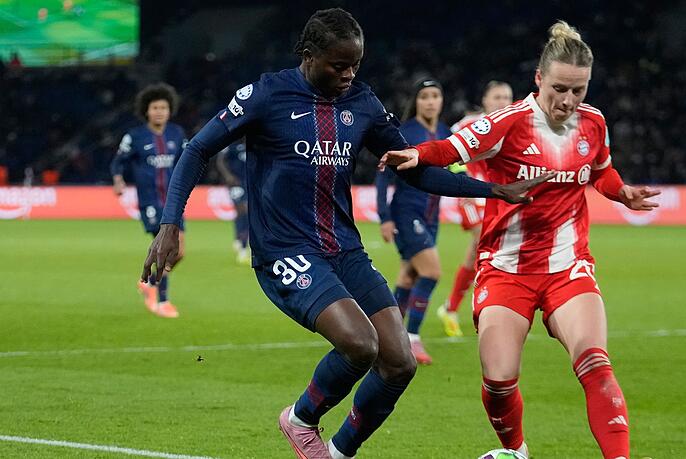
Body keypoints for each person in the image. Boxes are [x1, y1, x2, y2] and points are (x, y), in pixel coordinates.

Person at [140, 9, 553, 459]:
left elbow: (413, 169)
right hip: (285, 249)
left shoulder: (362, 103)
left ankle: (338, 453)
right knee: (359, 344)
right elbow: (197, 149)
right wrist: (170, 222)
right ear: (308, 55)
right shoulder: (267, 94)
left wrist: (493, 189)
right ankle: (301, 419)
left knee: (399, 362)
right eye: (338, 65)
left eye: (355, 65)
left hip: (344, 248)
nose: (348, 74)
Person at [378, 21, 661, 459]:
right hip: (506, 269)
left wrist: (620, 191)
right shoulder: (508, 122)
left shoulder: (594, 122)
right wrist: (417, 153)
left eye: (579, 90)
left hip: (568, 266)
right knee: (498, 380)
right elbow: (451, 149)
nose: (568, 100)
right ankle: (516, 451)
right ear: (539, 79)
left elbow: (601, 171)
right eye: (559, 89)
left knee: (595, 362)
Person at [375, 77, 450, 365]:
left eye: (435, 96)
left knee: (409, 276)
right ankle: (412, 337)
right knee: (431, 272)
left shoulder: (444, 132)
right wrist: (384, 217)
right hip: (407, 212)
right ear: (416, 101)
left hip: (431, 216)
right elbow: (383, 175)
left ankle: (386, 337)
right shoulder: (405, 132)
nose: (430, 102)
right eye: (424, 96)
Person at [437, 80, 514, 337]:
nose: (503, 102)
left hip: (499, 193)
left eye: (507, 97)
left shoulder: (515, 125)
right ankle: (485, 307)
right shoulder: (469, 125)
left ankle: (451, 308)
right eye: (497, 97)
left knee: (477, 254)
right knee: (483, 240)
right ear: (485, 100)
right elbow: (449, 148)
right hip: (471, 192)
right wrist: (461, 177)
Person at [112, 82, 187, 318]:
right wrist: (118, 180)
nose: (159, 112)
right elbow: (118, 162)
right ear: (146, 110)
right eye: (155, 108)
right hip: (151, 202)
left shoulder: (177, 134)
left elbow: (187, 161)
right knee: (166, 247)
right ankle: (162, 301)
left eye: (163, 108)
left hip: (174, 202)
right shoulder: (135, 136)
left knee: (180, 252)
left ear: (170, 110)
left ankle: (150, 283)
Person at [216, 140, 250, 265]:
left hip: (250, 183)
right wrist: (228, 176)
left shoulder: (255, 143)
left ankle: (239, 238)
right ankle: (243, 248)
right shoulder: (232, 144)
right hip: (236, 183)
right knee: (243, 210)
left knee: (245, 213)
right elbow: (220, 161)